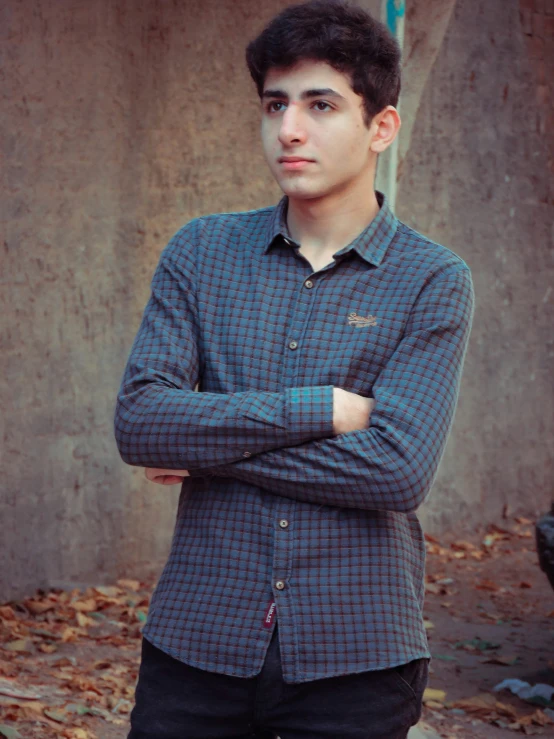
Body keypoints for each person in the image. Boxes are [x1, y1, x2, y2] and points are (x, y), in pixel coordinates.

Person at [114, 1, 474, 737]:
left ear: (381, 127)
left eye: (320, 104)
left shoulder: (432, 279)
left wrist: (210, 447)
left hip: (358, 653)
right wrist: (323, 408)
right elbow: (143, 421)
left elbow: (396, 471)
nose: (290, 129)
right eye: (275, 104)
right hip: (198, 640)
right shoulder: (201, 253)